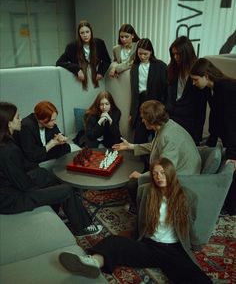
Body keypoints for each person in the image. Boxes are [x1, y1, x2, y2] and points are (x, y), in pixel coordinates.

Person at [58, 158, 212, 284]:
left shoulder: (188, 197)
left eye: (163, 173)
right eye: (155, 174)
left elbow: (191, 223)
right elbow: (140, 219)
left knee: (193, 275)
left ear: (171, 173)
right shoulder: (146, 192)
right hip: (149, 244)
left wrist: (196, 244)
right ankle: (91, 263)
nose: (159, 177)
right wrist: (134, 236)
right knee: (114, 242)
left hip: (173, 248)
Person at [0, 102, 102, 236]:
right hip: (12, 199)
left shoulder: (7, 141)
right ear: (9, 123)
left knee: (45, 175)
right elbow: (24, 185)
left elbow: (20, 170)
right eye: (17, 117)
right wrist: (43, 191)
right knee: (66, 190)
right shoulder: (8, 150)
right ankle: (83, 228)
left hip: (13, 187)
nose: (20, 120)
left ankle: (56, 210)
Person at [190, 58, 236, 215]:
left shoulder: (226, 88)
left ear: (206, 76)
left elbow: (232, 122)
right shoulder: (212, 89)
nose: (194, 83)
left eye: (196, 79)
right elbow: (216, 117)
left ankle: (232, 210)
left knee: (232, 169)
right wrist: (211, 141)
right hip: (228, 134)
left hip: (234, 133)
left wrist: (233, 154)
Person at [166, 36, 210, 145]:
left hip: (189, 121)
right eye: (173, 54)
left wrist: (197, 136)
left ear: (186, 53)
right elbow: (168, 94)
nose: (175, 57)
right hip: (171, 117)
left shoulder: (198, 71)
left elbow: (201, 108)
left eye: (178, 54)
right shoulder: (171, 69)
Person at [130, 38, 167, 145]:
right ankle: (144, 160)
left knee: (157, 138)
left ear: (151, 52)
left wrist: (164, 108)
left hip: (155, 103)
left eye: (145, 54)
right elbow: (134, 93)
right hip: (140, 103)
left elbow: (165, 89)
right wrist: (132, 113)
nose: (142, 57)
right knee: (139, 139)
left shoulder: (160, 66)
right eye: (140, 53)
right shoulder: (135, 67)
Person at [56, 20, 111, 89]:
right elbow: (59, 62)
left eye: (87, 32)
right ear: (79, 34)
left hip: (97, 81)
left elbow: (107, 60)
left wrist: (101, 72)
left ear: (91, 32)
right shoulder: (72, 46)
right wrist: (77, 69)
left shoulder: (99, 43)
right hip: (79, 82)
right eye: (82, 33)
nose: (85, 35)